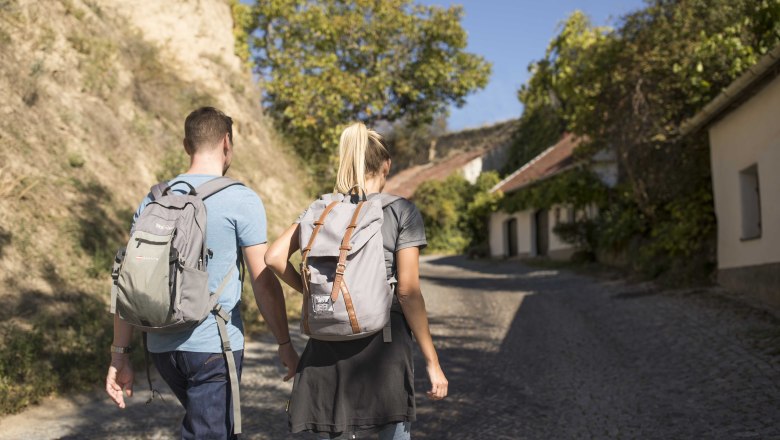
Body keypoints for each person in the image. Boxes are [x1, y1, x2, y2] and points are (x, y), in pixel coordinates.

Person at [105, 106, 299, 439]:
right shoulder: (241, 198)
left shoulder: (154, 199)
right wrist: (284, 342)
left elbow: (131, 281)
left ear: (186, 145)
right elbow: (263, 282)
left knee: (212, 429)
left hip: (162, 348)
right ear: (227, 142)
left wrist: (119, 355)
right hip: (213, 347)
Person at [265, 122, 448, 439]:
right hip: (383, 346)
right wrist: (433, 361)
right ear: (386, 166)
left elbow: (274, 258)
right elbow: (407, 292)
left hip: (326, 346)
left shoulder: (319, 210)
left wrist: (316, 295)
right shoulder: (400, 211)